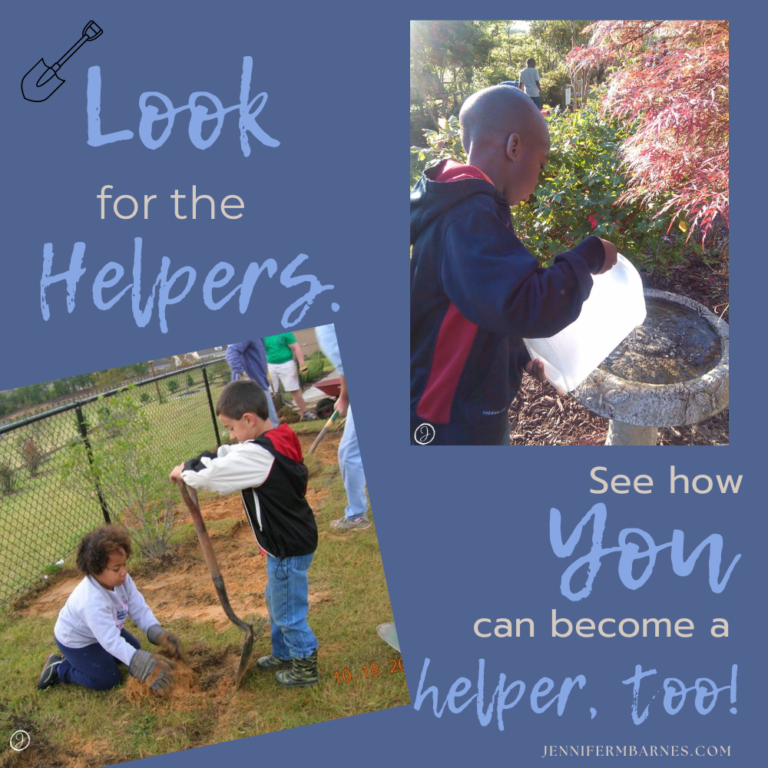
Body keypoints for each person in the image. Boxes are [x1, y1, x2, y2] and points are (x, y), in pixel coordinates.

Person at [410, 85, 618, 445]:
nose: (537, 183)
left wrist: (518, 355)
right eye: (541, 164)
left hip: (471, 405)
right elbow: (523, 303)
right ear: (514, 147)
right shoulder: (467, 218)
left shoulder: (468, 209)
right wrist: (590, 256)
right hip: (449, 421)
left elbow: (485, 304)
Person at [169, 380, 319, 686]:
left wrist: (186, 472)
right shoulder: (274, 438)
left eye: (232, 428)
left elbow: (215, 476)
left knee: (288, 611)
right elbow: (227, 453)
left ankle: (305, 666)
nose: (231, 436)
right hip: (286, 543)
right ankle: (283, 652)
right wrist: (192, 461)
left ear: (249, 419)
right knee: (277, 602)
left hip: (287, 548)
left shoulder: (258, 457)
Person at [36, 526, 182, 694]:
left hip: (103, 632)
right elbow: (110, 640)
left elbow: (138, 607)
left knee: (134, 647)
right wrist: (138, 661)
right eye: (116, 568)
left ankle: (98, 659)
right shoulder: (91, 600)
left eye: (124, 564)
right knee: (108, 679)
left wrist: (155, 631)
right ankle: (60, 669)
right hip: (77, 642)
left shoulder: (123, 580)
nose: (124, 572)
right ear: (95, 569)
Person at [315, 324, 370, 531]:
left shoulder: (327, 326)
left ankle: (356, 516)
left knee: (348, 453)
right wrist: (344, 398)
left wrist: (345, 397)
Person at [225, 340, 280, 424]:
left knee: (265, 424)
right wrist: (243, 375)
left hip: (258, 385)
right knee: (271, 423)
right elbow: (231, 352)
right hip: (251, 389)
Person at [264, 333, 316, 421]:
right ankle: (271, 418)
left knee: (294, 389)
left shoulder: (285, 332)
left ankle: (305, 413)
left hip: (287, 364)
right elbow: (260, 352)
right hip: (270, 366)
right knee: (270, 393)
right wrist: (264, 368)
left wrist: (302, 364)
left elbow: (296, 347)